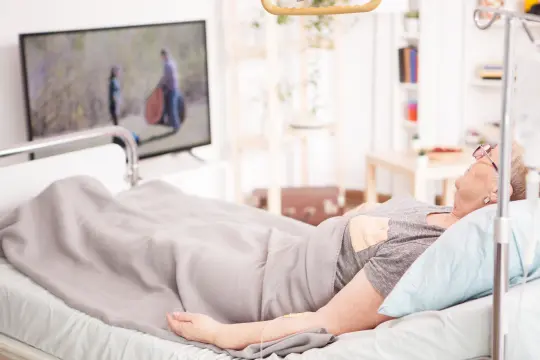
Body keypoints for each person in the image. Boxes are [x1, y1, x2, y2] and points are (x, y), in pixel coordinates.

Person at [165, 143, 529, 350]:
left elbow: (326, 322)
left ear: (497, 193)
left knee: (173, 248)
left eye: (486, 155)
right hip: (292, 245)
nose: (475, 154)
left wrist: (220, 334)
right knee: (182, 212)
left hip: (278, 281)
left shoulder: (423, 255)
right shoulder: (438, 211)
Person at [158, 49, 181, 131]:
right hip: (174, 87)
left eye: (163, 55)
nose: (162, 57)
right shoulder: (172, 62)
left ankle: (176, 126)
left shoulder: (168, 65)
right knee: (170, 107)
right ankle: (172, 124)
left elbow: (166, 78)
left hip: (172, 88)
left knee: (172, 108)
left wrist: (160, 84)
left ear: (165, 55)